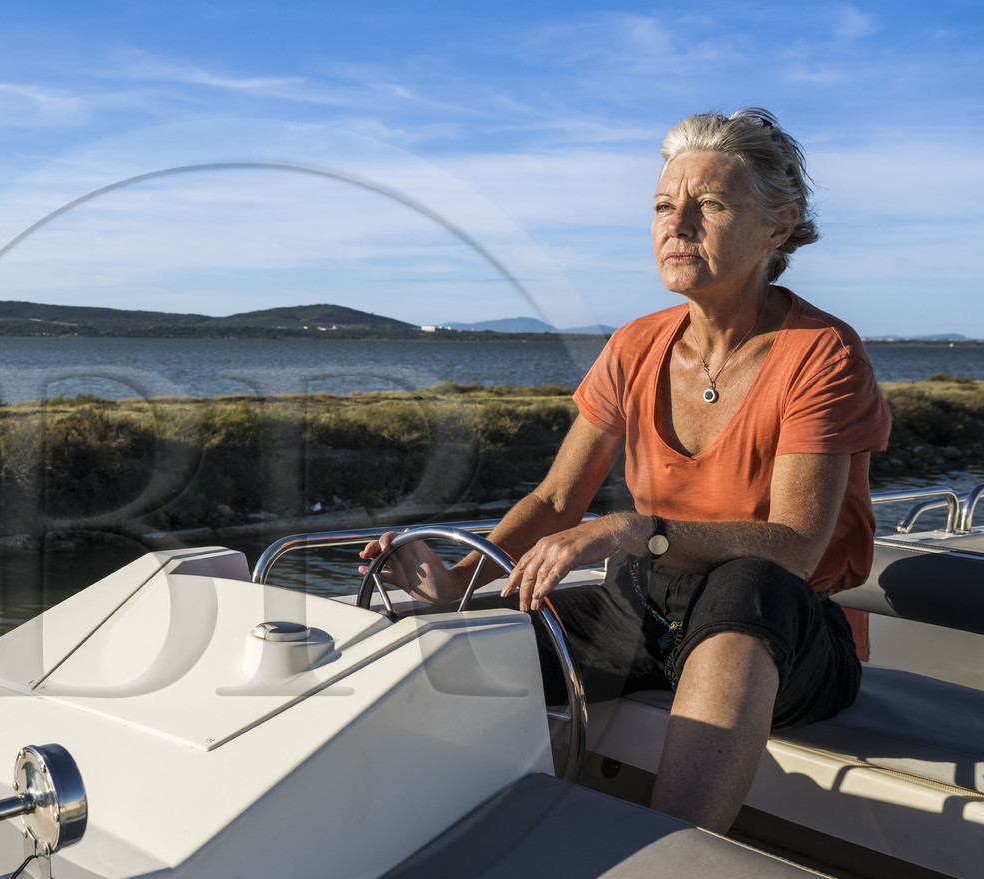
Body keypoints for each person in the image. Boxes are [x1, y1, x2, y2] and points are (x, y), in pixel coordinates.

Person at [361, 108, 891, 834]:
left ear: (778, 226)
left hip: (789, 625)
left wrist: (634, 530)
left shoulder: (823, 352)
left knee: (747, 580)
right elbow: (555, 499)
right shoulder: (635, 345)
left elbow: (797, 544)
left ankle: (671, 858)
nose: (678, 224)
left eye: (709, 205)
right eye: (663, 206)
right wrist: (459, 580)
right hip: (645, 603)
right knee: (457, 646)